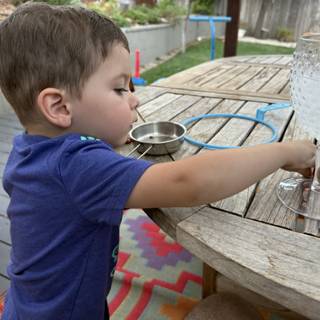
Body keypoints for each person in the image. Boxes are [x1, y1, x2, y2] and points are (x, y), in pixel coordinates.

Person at [0, 3, 315, 320]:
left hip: (26, 307)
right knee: (226, 309)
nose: (134, 98)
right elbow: (190, 183)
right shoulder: (76, 165)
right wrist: (284, 152)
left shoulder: (31, 151)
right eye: (120, 88)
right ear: (58, 106)